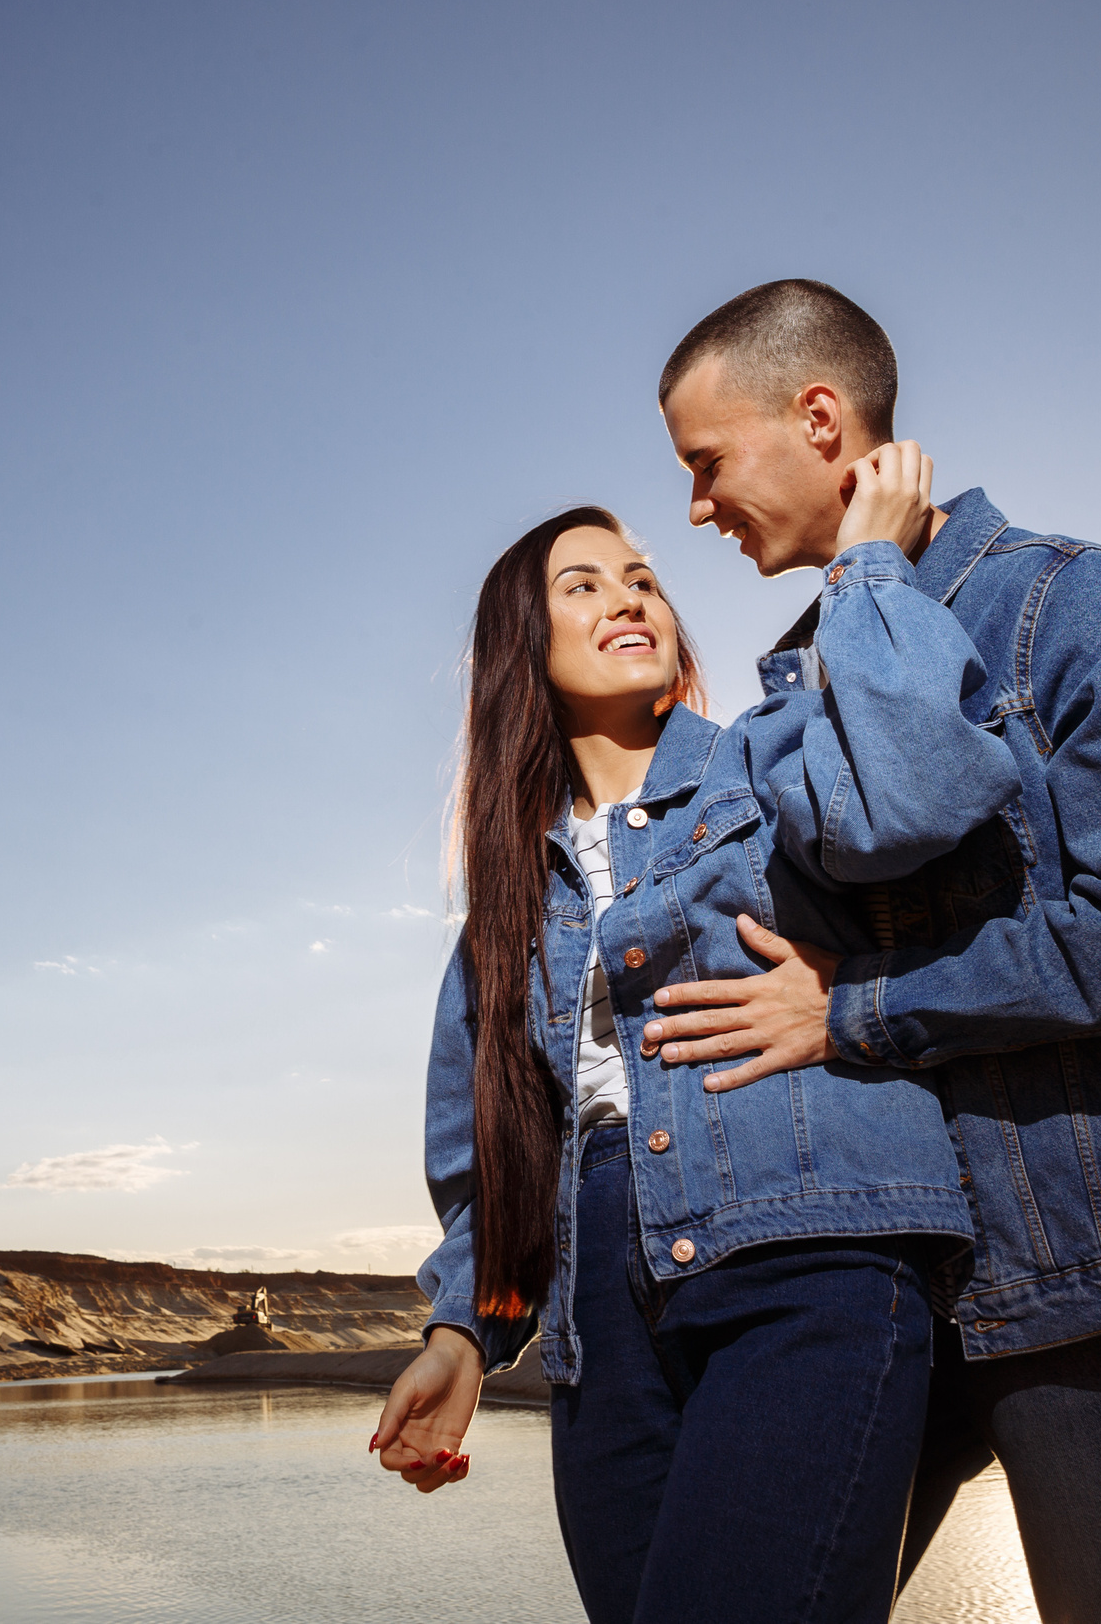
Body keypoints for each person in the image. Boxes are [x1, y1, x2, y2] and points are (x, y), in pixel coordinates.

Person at [640, 279, 1101, 1624]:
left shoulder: (1061, 601)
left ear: (818, 417)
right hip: (885, 1262)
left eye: (706, 463)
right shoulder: (812, 671)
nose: (696, 506)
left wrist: (863, 1013)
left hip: (1076, 1246)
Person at [372, 452, 1024, 1624]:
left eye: (643, 580)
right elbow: (491, 1159)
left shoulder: (771, 760)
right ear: (523, 647)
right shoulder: (507, 905)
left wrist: (867, 569)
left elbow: (922, 795)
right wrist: (463, 1334)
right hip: (600, 1332)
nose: (629, 598)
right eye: (582, 586)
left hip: (807, 1259)